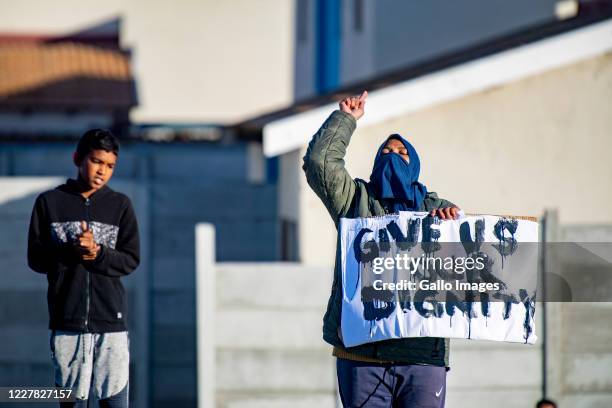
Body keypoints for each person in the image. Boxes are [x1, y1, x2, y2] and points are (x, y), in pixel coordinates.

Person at [303, 91, 460, 407]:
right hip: (362, 352)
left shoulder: (436, 209)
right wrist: (346, 119)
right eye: (385, 151)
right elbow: (320, 163)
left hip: (422, 355)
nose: (392, 154)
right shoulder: (355, 201)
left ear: (413, 164)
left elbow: (460, 265)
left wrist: (450, 223)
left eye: (401, 152)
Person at [28, 129, 140, 407]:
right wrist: (71, 250)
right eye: (96, 161)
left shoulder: (120, 206)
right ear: (78, 158)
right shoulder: (49, 203)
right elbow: (36, 259)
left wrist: (97, 253)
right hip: (67, 325)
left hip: (111, 326)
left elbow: (130, 260)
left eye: (110, 165)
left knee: (114, 403)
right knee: (71, 403)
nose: (103, 171)